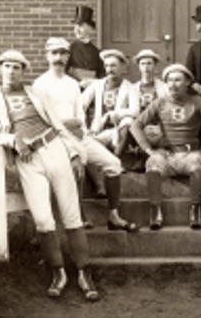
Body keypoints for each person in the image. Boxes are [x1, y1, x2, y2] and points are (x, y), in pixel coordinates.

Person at [0, 49, 99, 301]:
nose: (11, 71)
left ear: (23, 71)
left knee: (71, 213)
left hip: (54, 148)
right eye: (7, 66)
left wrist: (75, 153)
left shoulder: (36, 93)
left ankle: (84, 272)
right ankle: (58, 273)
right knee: (43, 218)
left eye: (17, 67)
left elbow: (58, 125)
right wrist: (11, 139)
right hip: (27, 159)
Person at [33, 37, 138, 232]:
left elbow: (80, 115)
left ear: (68, 57)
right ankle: (79, 215)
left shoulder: (72, 83)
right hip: (56, 140)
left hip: (78, 135)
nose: (58, 57)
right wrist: (68, 126)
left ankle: (113, 216)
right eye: (54, 53)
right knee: (76, 167)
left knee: (113, 164)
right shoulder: (40, 85)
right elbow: (44, 121)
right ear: (47, 56)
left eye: (63, 53)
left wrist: (80, 129)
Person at [130, 63, 201, 230]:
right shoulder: (159, 103)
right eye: (169, 80)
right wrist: (148, 149)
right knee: (152, 163)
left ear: (187, 82)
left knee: (197, 162)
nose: (173, 84)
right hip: (167, 155)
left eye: (178, 80)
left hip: (189, 153)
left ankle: (196, 209)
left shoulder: (197, 101)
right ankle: (155, 210)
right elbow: (135, 125)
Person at [82, 49, 140, 156]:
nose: (109, 69)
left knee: (128, 120)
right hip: (98, 129)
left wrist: (115, 114)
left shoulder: (129, 87)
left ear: (122, 67)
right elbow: (80, 105)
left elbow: (135, 110)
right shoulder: (97, 85)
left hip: (118, 129)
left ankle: (117, 156)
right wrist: (83, 128)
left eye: (113, 66)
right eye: (107, 66)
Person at [132, 49, 169, 148]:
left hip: (159, 123)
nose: (146, 67)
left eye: (149, 63)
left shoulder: (164, 87)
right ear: (139, 67)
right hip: (140, 123)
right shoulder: (133, 88)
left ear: (154, 66)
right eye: (143, 64)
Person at [66, 5, 105, 89]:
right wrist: (77, 82)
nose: (77, 30)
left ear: (90, 28)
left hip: (92, 89)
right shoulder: (69, 49)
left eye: (81, 26)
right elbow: (63, 73)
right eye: (75, 26)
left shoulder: (97, 52)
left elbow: (102, 74)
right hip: (74, 89)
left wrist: (93, 82)